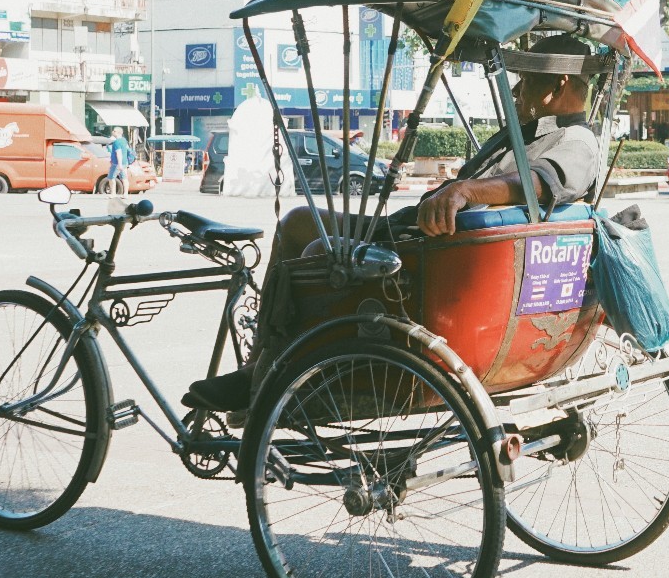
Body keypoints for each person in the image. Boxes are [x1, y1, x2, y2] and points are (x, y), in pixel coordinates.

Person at [186, 35, 604, 412]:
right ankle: (265, 365)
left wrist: (466, 192)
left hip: (428, 251)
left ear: (557, 86)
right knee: (301, 222)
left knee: (301, 231)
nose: (518, 90)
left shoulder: (576, 141)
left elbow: (537, 182)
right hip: (418, 231)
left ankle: (261, 372)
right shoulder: (535, 131)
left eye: (527, 81)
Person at [107, 130, 134, 195]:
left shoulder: (117, 142)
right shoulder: (124, 140)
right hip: (125, 162)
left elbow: (118, 153)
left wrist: (119, 164)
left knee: (111, 178)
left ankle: (113, 194)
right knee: (124, 178)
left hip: (116, 163)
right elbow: (127, 149)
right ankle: (125, 194)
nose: (112, 131)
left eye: (114, 131)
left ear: (118, 132)